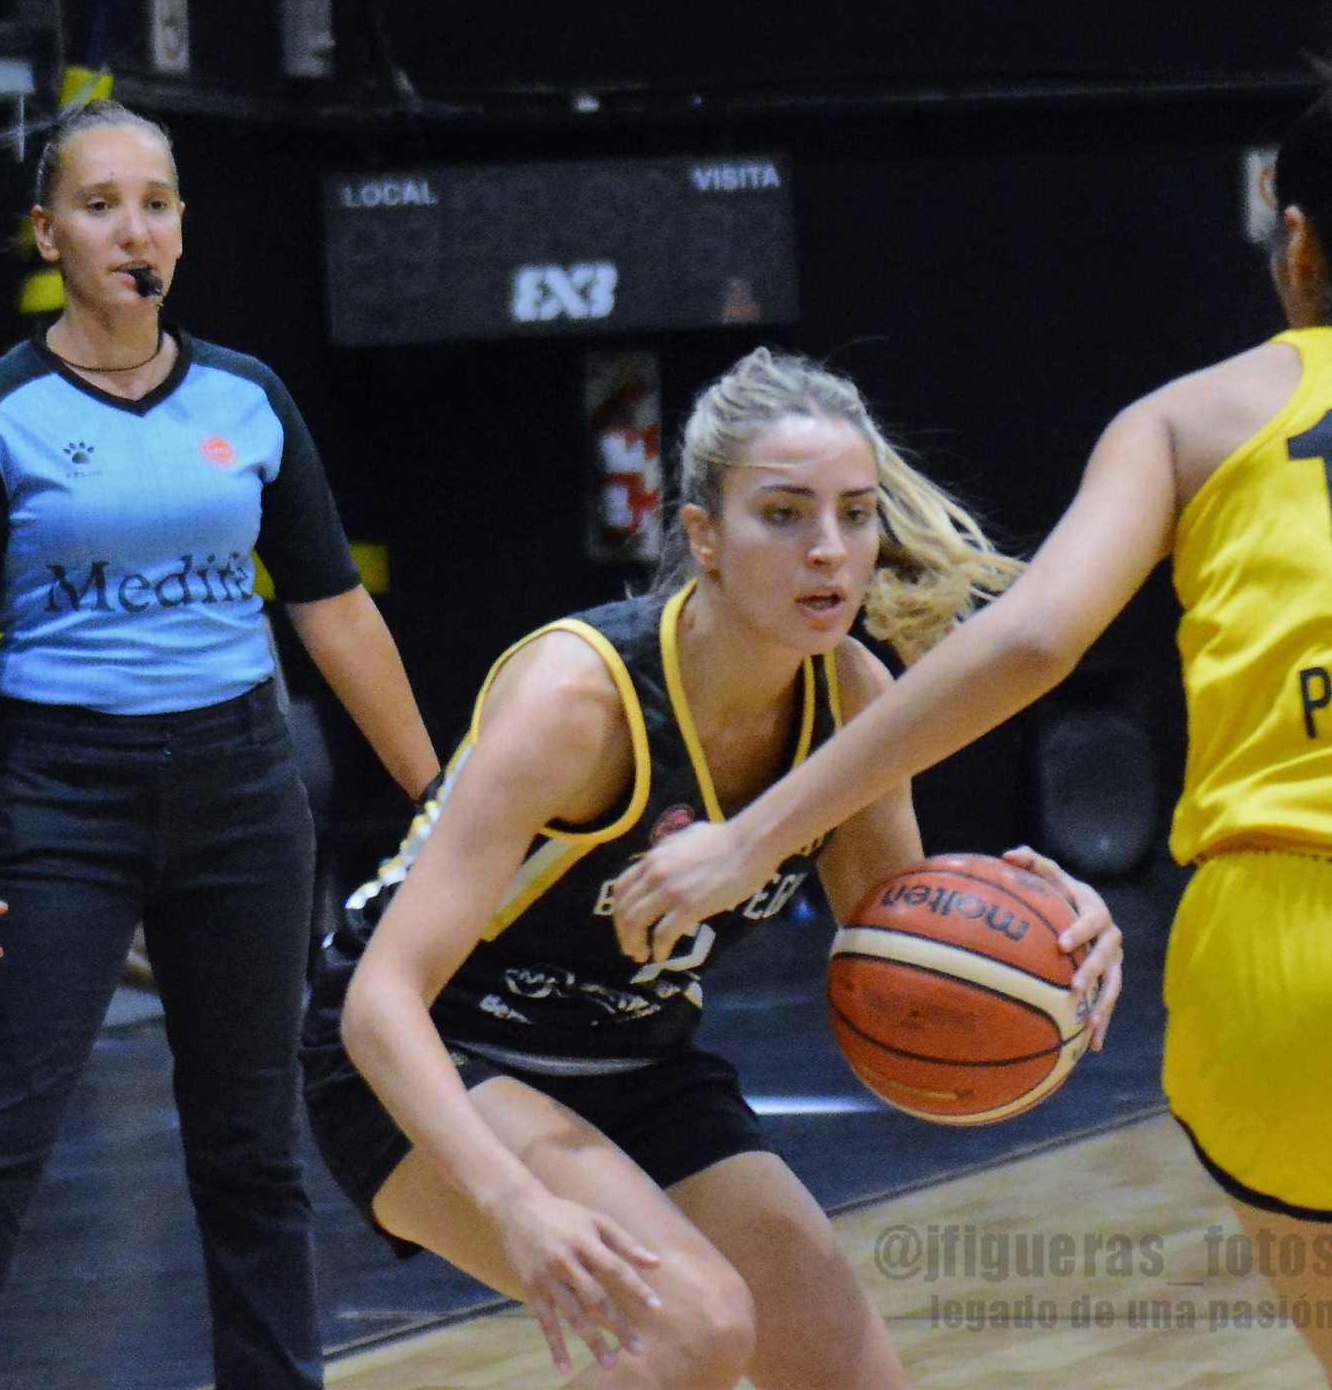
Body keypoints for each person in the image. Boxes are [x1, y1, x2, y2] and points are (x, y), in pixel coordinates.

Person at [611, 94, 1332, 1379]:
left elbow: (1032, 641)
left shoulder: (1190, 418)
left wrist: (755, 835)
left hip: (1277, 961)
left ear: (1296, 244)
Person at [300, 347, 1125, 1389]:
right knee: (691, 1328)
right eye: (784, 515)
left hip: (637, 1058)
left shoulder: (854, 699)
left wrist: (1045, 926)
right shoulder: (578, 703)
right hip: (438, 1053)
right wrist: (517, 1205)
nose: (829, 550)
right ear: (705, 538)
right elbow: (379, 1005)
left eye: (856, 514)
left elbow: (906, 948)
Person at [0, 99, 438, 1390]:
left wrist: (443, 789)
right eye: (98, 205)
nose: (130, 228)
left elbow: (333, 610)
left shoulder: (247, 399)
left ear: (182, 231)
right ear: (49, 232)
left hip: (246, 792)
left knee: (250, 1148)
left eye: (154, 203)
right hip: (61, 800)